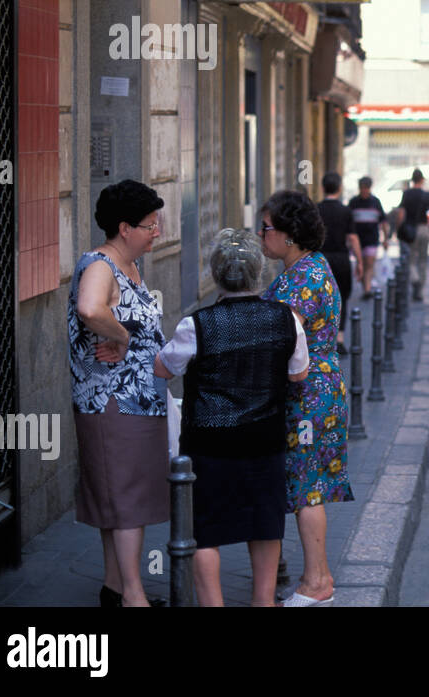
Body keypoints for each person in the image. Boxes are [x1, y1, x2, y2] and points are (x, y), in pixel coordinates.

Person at [153, 229, 309, 607]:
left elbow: (163, 369)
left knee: (206, 530)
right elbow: (299, 372)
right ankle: (262, 601)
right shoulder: (286, 318)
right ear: (259, 273)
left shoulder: (196, 325)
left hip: (209, 445)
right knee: (265, 523)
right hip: (265, 440)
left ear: (216, 275)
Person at [67, 179, 169, 608]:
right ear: (124, 227)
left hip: (136, 402)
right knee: (124, 498)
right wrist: (123, 336)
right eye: (149, 225)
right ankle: (133, 596)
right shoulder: (100, 266)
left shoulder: (128, 267)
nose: (157, 231)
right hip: (112, 402)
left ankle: (115, 587)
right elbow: (90, 309)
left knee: (120, 497)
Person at [259, 189, 354, 606]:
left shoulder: (303, 277)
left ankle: (317, 582)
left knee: (307, 485)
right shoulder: (310, 267)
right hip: (319, 386)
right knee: (304, 482)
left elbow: (285, 339)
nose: (261, 236)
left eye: (265, 228)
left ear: (288, 234)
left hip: (308, 392)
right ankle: (311, 577)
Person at [316, 172, 360, 354]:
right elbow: (353, 238)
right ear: (339, 188)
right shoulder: (346, 211)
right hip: (341, 259)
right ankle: (339, 338)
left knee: (320, 298)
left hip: (321, 259)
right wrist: (360, 261)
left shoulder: (315, 210)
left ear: (322, 188)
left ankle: (322, 337)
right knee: (341, 298)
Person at [392, 168, 429, 302]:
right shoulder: (426, 195)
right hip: (424, 229)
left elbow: (401, 214)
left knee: (411, 259)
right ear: (422, 180)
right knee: (423, 260)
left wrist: (398, 230)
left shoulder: (406, 194)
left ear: (412, 180)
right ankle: (420, 289)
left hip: (411, 230)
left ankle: (414, 279)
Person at [347, 176, 386, 298]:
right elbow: (347, 221)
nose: (364, 190)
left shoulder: (376, 202)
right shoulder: (353, 202)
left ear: (369, 188)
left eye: (366, 188)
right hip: (357, 240)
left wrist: (386, 239)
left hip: (372, 239)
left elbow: (383, 221)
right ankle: (366, 286)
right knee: (362, 263)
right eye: (362, 188)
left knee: (369, 263)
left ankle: (367, 290)